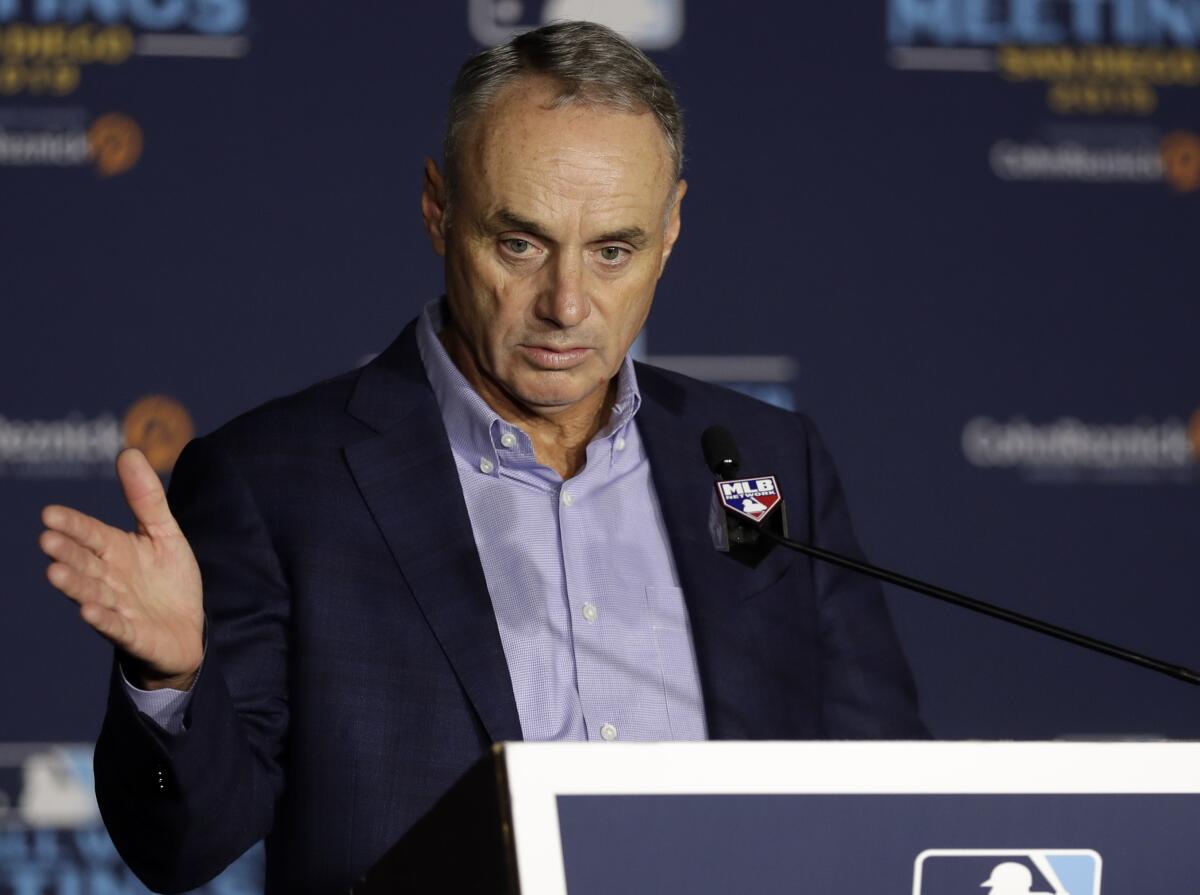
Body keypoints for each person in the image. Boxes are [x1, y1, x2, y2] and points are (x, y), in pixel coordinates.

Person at [37, 20, 925, 894]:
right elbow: (182, 846)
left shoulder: (764, 458)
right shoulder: (277, 481)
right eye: (520, 243)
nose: (568, 304)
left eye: (615, 250)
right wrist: (173, 679)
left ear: (673, 226)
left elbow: (895, 794)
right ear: (438, 208)